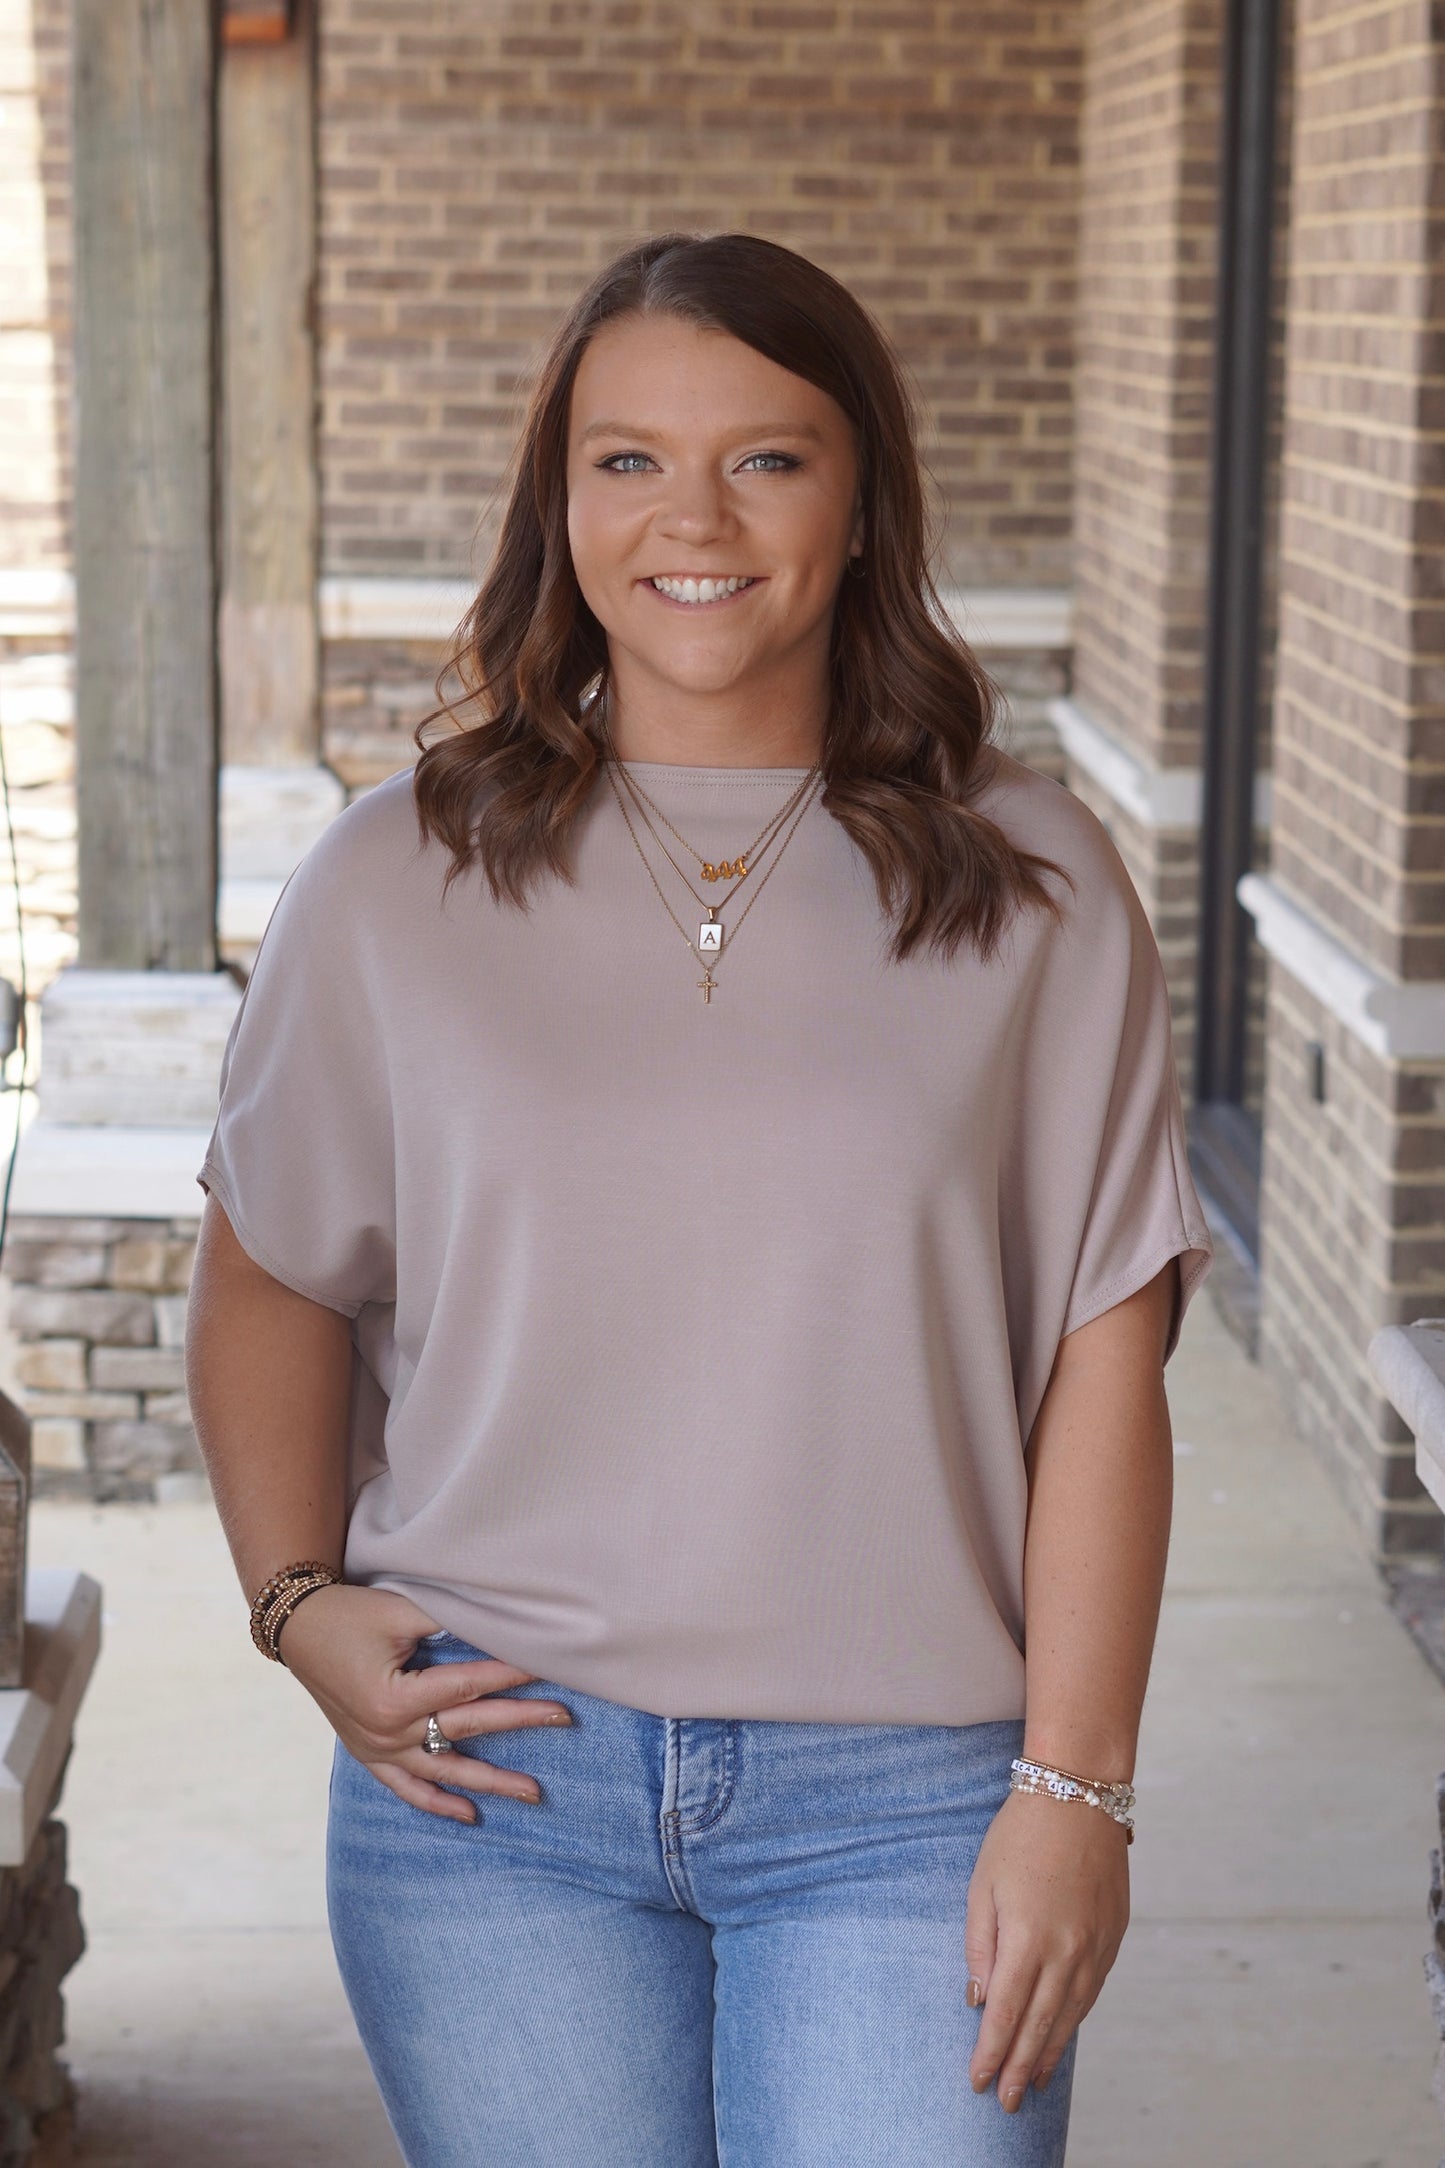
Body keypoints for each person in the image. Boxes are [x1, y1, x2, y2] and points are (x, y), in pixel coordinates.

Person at [185, 231, 1213, 2168]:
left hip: (915, 1801)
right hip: (496, 1787)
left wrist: (1081, 1785)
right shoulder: (395, 877)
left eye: (770, 455)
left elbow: (1105, 1356)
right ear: (558, 500)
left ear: (861, 495)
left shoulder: (1033, 881)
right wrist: (296, 1597)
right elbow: (271, 1271)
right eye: (629, 457)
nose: (696, 516)